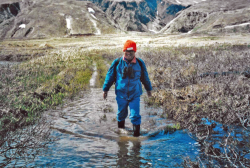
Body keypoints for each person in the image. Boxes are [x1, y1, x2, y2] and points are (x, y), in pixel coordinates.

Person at [102, 40, 152, 137]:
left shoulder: (140, 63)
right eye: (126, 53)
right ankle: (121, 134)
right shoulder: (117, 63)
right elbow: (110, 76)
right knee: (121, 114)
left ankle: (136, 138)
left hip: (135, 95)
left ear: (135, 52)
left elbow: (145, 77)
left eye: (131, 53)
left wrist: (149, 90)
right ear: (123, 52)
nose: (128, 55)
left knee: (135, 116)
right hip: (121, 95)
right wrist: (105, 90)